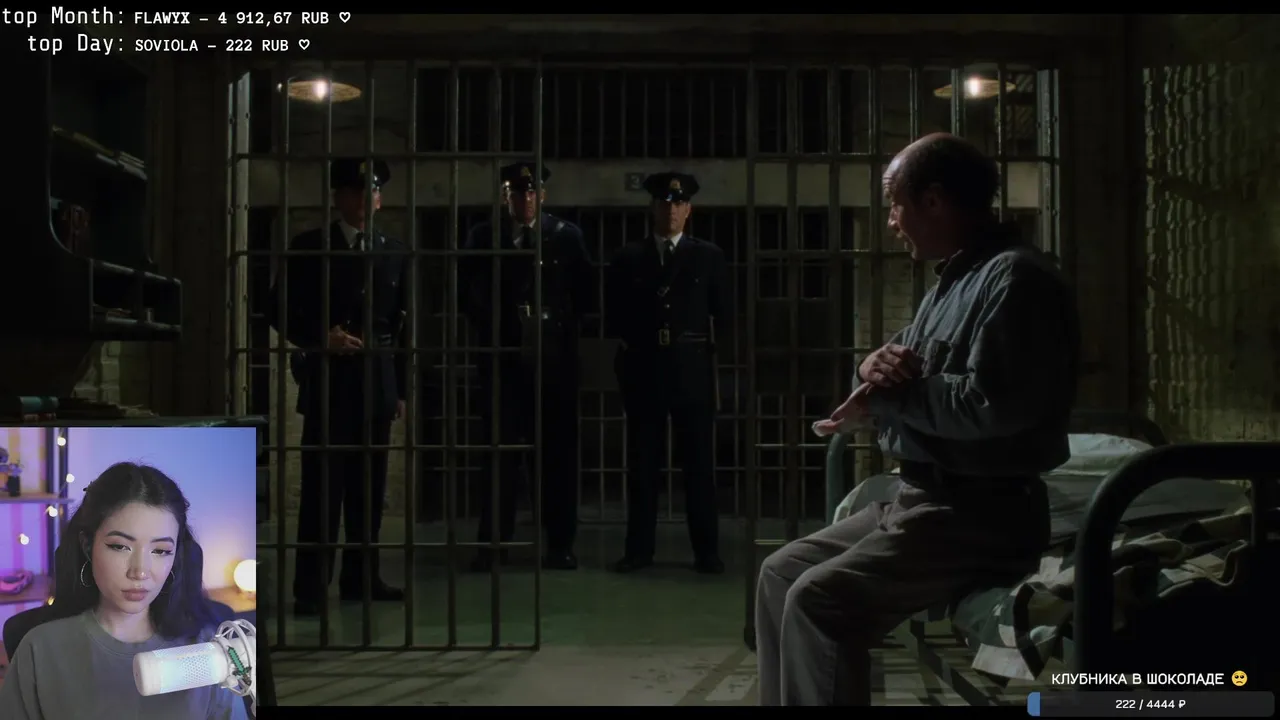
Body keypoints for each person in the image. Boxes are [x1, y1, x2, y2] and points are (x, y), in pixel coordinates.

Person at [755, 133, 1080, 706]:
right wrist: (870, 366)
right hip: (924, 500)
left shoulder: (1018, 280)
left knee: (819, 601)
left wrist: (892, 397)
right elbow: (897, 361)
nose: (891, 222)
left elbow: (990, 404)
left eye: (894, 203)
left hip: (979, 514)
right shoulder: (955, 281)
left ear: (933, 201)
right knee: (780, 573)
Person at [267, 157, 408, 615]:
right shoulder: (311, 248)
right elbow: (276, 308)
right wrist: (319, 338)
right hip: (329, 382)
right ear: (339, 197)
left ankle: (362, 579)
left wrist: (401, 388)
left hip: (376, 382)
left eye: (373, 191)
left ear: (380, 199)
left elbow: (403, 326)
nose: (366, 199)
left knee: (368, 491)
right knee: (321, 492)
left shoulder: (393, 251)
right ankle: (310, 589)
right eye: (356, 191)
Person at [0, 463, 248, 719]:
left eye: (160, 551)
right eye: (120, 547)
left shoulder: (210, 649)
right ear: (88, 545)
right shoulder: (40, 650)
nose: (140, 572)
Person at [459, 161, 591, 572]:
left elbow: (585, 296)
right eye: (518, 192)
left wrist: (558, 333)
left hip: (553, 364)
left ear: (542, 195)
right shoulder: (484, 237)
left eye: (532, 191)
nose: (526, 199)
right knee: (499, 455)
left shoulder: (566, 237)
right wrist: (497, 328)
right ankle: (493, 543)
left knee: (556, 456)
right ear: (507, 196)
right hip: (503, 360)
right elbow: (466, 293)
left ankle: (559, 544)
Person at [605, 171, 730, 575]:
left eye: (678, 203)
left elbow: (724, 313)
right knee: (643, 466)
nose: (671, 210)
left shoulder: (708, 256)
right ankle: (638, 550)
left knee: (699, 466)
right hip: (645, 368)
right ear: (653, 208)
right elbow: (613, 315)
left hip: (691, 368)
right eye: (664, 203)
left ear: (688, 210)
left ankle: (706, 552)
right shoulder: (628, 257)